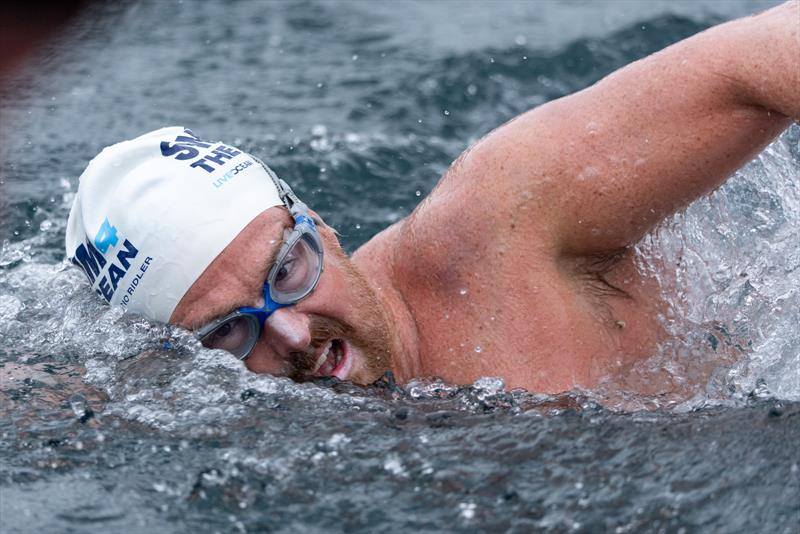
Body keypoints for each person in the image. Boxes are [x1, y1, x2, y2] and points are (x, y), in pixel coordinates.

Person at [65, 1, 799, 394]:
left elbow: (750, 63)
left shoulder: (502, 224)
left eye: (288, 271)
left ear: (316, 222)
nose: (291, 336)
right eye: (229, 331)